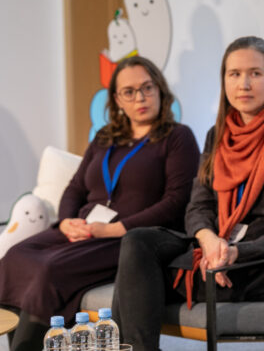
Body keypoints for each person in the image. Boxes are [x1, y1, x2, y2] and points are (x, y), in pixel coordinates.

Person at [112, 36, 264, 351]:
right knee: (137, 243)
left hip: (262, 261)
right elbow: (197, 207)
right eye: (234, 74)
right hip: (219, 246)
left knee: (137, 281)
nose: (244, 83)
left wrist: (236, 252)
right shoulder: (218, 134)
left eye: (255, 73)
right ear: (224, 81)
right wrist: (210, 241)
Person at [0, 56, 200, 351]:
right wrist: (67, 221)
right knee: (15, 256)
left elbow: (176, 201)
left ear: (160, 90)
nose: (140, 97)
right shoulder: (106, 138)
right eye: (129, 92)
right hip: (82, 230)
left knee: (48, 268)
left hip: (128, 238)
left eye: (147, 87)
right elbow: (75, 187)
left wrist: (112, 230)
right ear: (117, 99)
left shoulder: (177, 137)